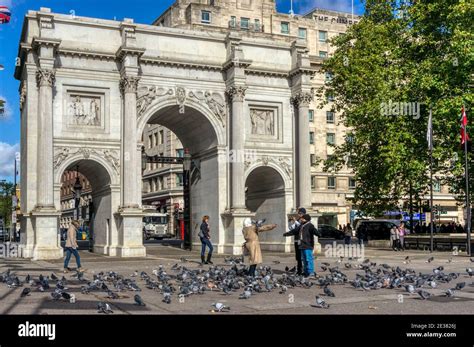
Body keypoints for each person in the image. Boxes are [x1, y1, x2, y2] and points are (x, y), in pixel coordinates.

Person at [283, 207, 306, 275]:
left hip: (302, 241)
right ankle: (299, 270)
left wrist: (295, 221)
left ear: (303, 213)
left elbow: (301, 227)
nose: (299, 214)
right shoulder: (298, 220)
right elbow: (291, 228)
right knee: (298, 257)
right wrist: (290, 221)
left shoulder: (304, 220)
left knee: (302, 256)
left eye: (300, 213)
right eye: (298, 213)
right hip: (296, 240)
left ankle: (303, 270)